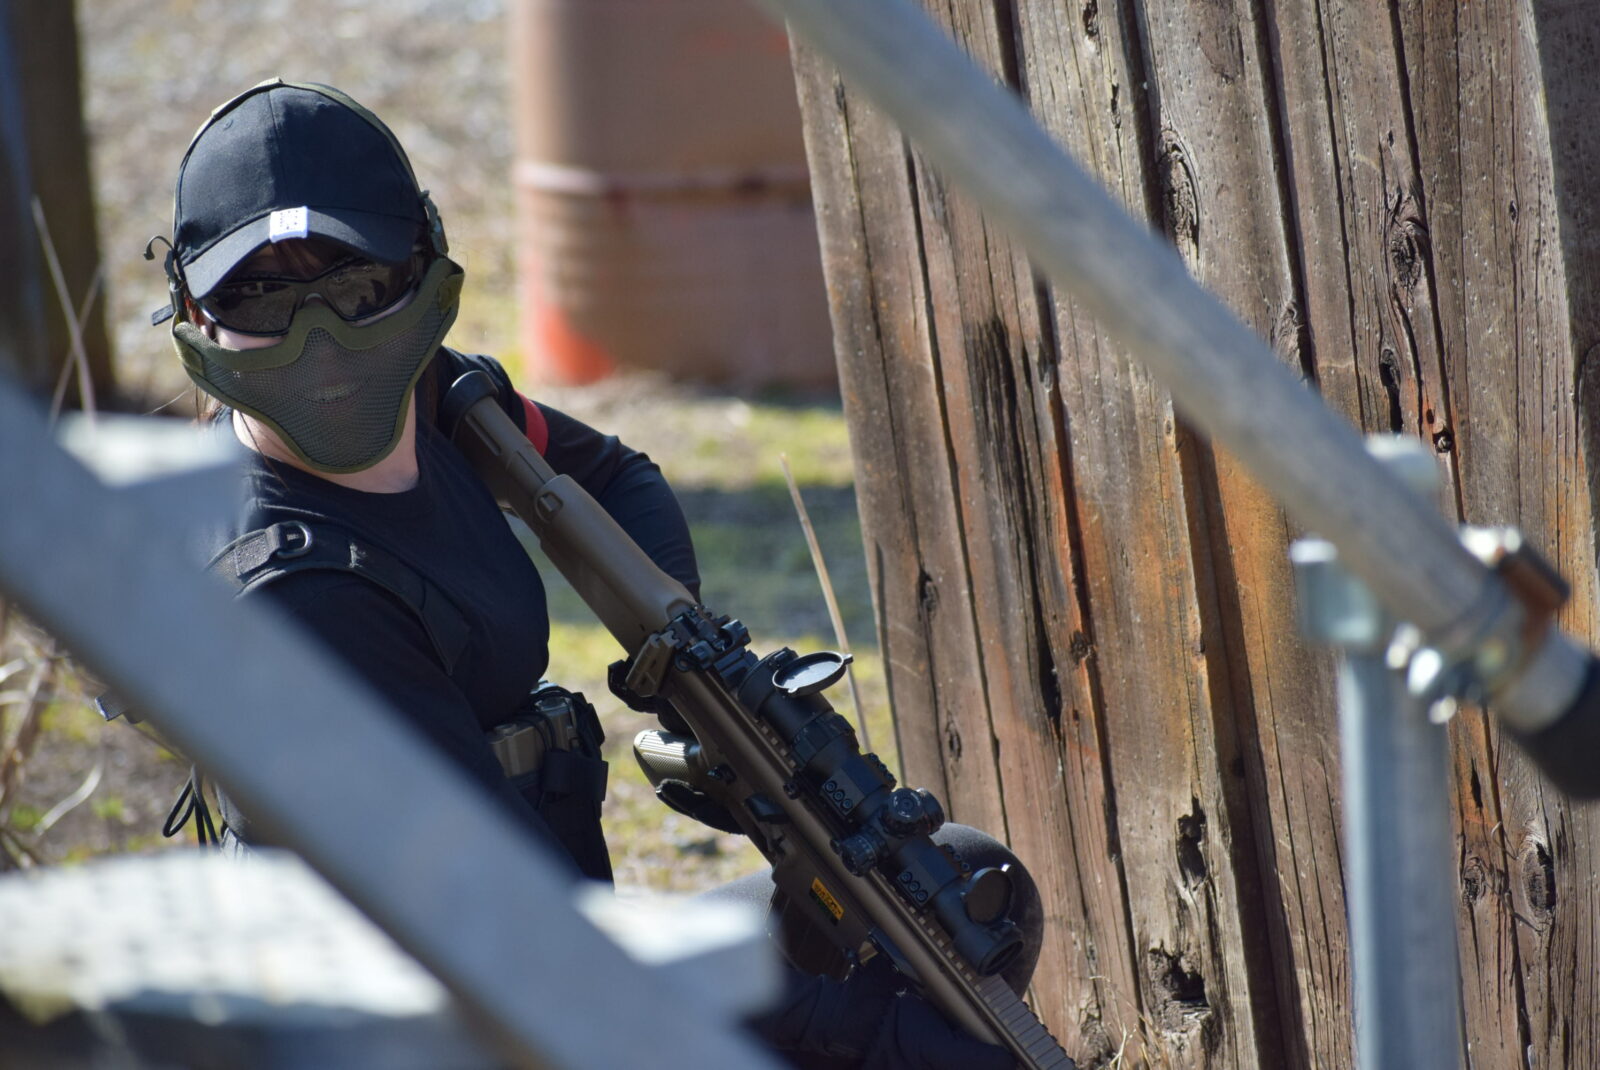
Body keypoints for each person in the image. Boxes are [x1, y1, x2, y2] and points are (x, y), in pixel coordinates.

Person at [151, 79, 1039, 1068]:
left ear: (420, 265)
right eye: (261, 299)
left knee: (960, 897)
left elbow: (616, 476)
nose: (319, 345)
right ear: (193, 312)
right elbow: (531, 930)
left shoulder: (432, 394)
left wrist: (685, 674)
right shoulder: (298, 598)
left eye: (355, 287)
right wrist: (857, 1028)